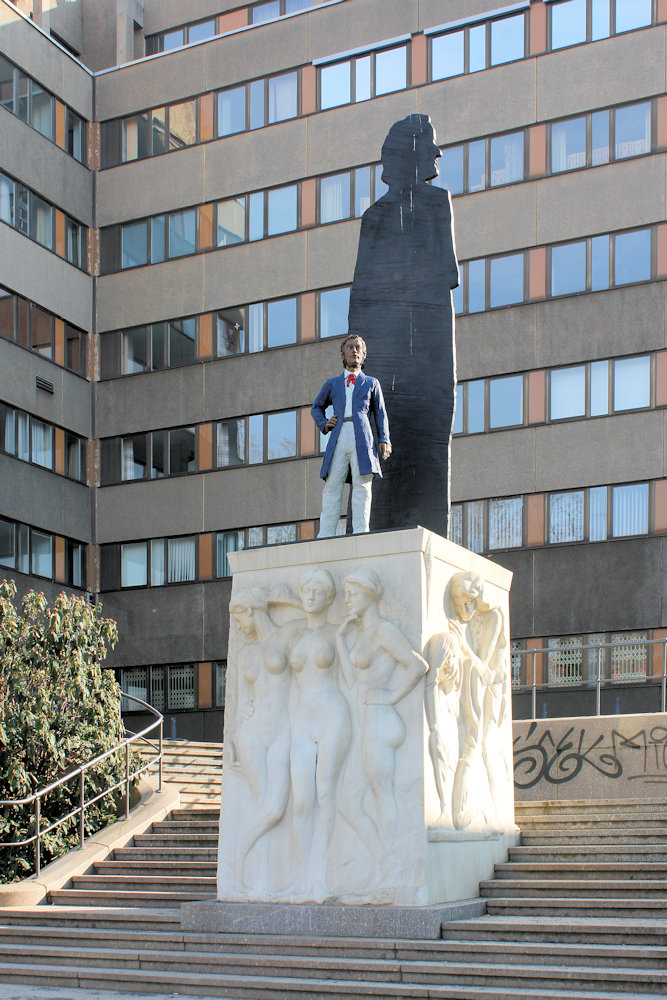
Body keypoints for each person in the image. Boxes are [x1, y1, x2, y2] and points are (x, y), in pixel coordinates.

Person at [348, 114, 459, 536]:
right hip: (391, 355)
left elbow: (442, 276)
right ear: (411, 153)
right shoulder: (377, 217)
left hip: (426, 350)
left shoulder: (432, 204)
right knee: (384, 446)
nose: (437, 153)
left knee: (426, 445)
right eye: (430, 143)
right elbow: (363, 296)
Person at [336, 568, 427, 863]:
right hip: (367, 723)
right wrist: (340, 640)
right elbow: (351, 681)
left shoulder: (385, 630)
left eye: (352, 594)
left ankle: (391, 862)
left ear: (369, 595)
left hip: (381, 721)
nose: (347, 600)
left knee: (382, 793)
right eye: (346, 594)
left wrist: (391, 696)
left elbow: (417, 666)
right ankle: (383, 859)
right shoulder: (362, 633)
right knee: (347, 802)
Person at [288, 568, 351, 900]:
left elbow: (352, 676)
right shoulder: (295, 635)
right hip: (302, 719)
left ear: (329, 598)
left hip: (332, 715)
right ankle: (303, 876)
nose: (310, 596)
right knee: (301, 802)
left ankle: (320, 875)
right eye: (306, 590)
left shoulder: (337, 631)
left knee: (325, 794)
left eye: (317, 591)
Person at [311, 334, 391, 537]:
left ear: (364, 354)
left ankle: (361, 532)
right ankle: (326, 533)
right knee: (332, 486)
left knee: (362, 485)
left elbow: (380, 413)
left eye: (358, 348)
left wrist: (384, 439)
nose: (354, 350)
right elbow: (316, 407)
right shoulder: (332, 383)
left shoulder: (371, 383)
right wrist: (324, 423)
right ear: (343, 354)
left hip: (362, 439)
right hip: (339, 436)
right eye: (350, 347)